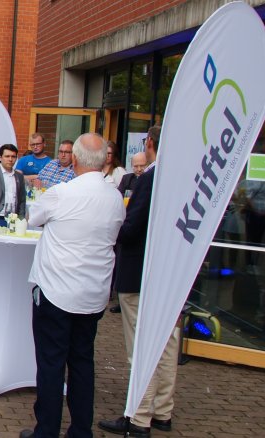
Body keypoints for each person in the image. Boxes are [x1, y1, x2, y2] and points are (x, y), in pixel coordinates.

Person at [19, 133, 125, 438]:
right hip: (93, 293)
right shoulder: (115, 197)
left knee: (51, 364)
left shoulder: (62, 193)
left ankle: (47, 431)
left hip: (56, 291)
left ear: (74, 160)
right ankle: (81, 429)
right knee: (82, 362)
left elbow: (32, 216)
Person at [98, 125, 178, 438]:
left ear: (151, 143)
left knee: (141, 345)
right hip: (170, 276)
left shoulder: (149, 180)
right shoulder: (181, 179)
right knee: (167, 344)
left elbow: (132, 229)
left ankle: (138, 416)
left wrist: (114, 231)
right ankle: (162, 410)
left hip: (142, 273)